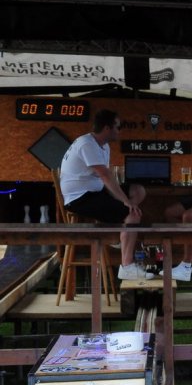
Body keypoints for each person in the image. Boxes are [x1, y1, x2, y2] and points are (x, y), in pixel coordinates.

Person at [59, 110, 148, 279]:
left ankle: (121, 235)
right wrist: (125, 202)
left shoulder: (104, 145)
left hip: (96, 191)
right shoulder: (87, 143)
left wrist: (124, 199)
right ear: (107, 128)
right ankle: (127, 267)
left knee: (138, 190)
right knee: (133, 214)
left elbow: (105, 177)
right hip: (80, 197)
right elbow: (105, 175)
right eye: (118, 127)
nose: (120, 131)